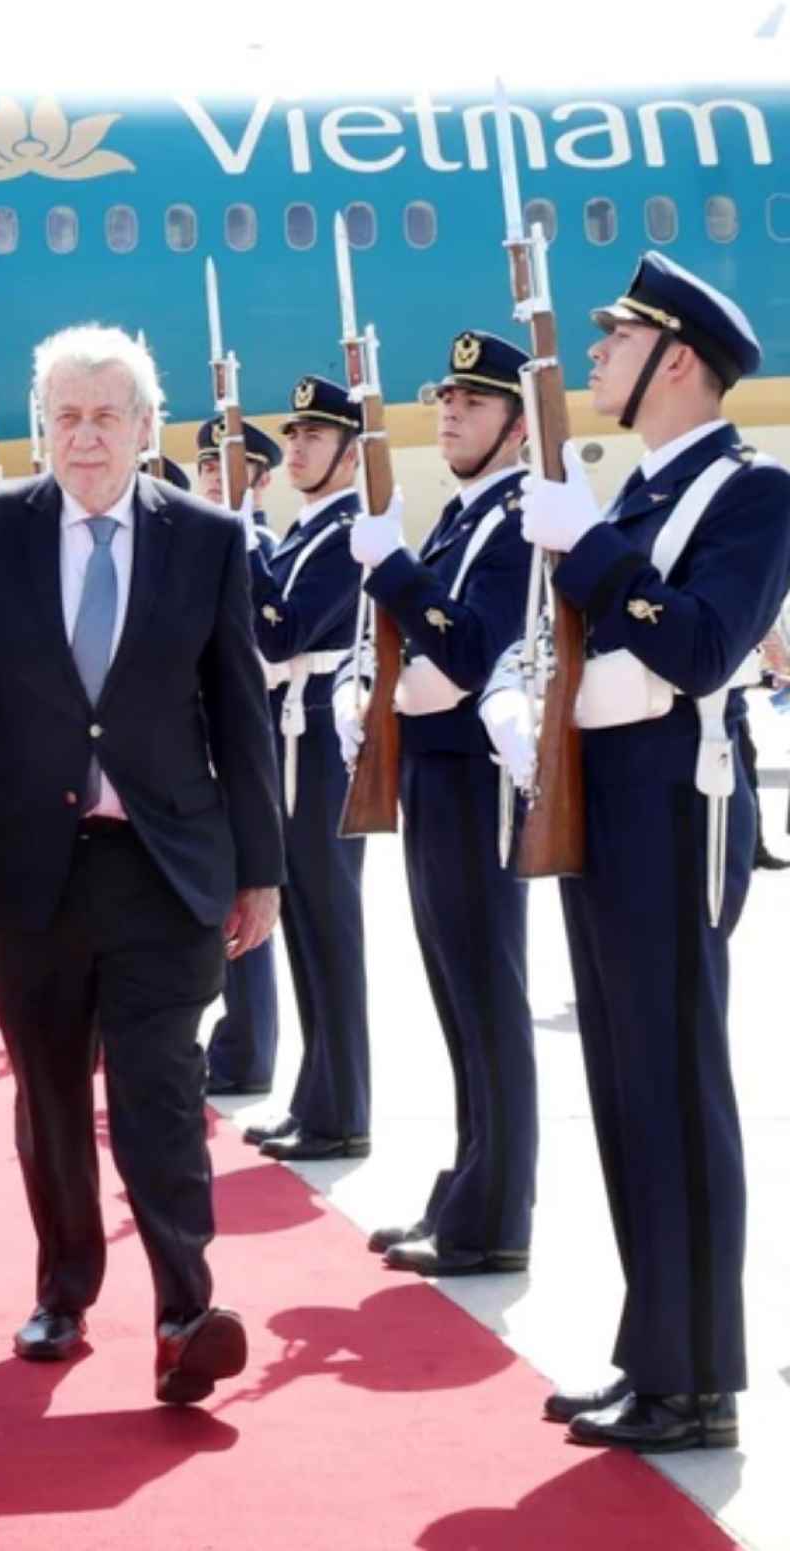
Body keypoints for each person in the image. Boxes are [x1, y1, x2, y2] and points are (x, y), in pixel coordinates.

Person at [0, 325, 281, 1402]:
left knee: (159, 1089)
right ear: (45, 425)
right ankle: (64, 1287)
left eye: (105, 416)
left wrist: (260, 867)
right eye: (66, 416)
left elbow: (239, 710)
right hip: (26, 868)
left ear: (144, 426)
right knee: (47, 1092)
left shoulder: (206, 538)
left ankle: (184, 1310)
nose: (84, 436)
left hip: (162, 865)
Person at [480, 254, 790, 1453]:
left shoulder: (747, 493)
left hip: (672, 812)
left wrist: (592, 553)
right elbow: (571, 640)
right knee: (621, 1085)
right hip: (599, 808)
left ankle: (698, 1380)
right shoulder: (629, 495)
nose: (596, 355)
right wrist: (521, 703)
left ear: (675, 360)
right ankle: (652, 1355)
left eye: (616, 339)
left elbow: (701, 647)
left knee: (671, 1085)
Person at [337, 331, 538, 1277]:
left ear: (519, 425)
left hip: (475, 781)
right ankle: (468, 1189)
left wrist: (393, 568)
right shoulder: (465, 518)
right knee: (459, 997)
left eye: (475, 400)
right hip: (435, 773)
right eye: (448, 398)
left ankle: (496, 1215)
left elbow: (467, 647)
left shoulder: (515, 521)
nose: (451, 412)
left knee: (487, 995)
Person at [239, 375, 373, 1163]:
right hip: (293, 730)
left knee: (331, 925)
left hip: (322, 737)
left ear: (352, 454)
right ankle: (317, 1098)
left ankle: (343, 1107)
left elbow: (282, 631)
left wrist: (243, 546)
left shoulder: (348, 533)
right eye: (292, 435)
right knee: (305, 926)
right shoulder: (305, 531)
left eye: (315, 437)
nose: (296, 448)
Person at [193, 415, 286, 1098]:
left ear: (259, 480)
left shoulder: (264, 549)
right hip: (197, 741)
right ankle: (232, 1039)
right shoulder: (191, 545)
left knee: (247, 900)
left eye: (224, 465)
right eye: (204, 466)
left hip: (250, 739)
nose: (210, 477)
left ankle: (248, 1049)